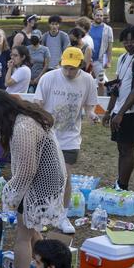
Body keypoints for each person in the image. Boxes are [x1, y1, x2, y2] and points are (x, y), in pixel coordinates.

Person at [0, 88, 65, 268]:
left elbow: (26, 171)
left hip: (41, 182)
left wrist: (10, 195)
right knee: (33, 228)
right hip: (48, 177)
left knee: (22, 237)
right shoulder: (24, 116)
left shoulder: (23, 128)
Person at [34, 47, 99, 236]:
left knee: (65, 177)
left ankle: (62, 216)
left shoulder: (88, 81)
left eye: (73, 68)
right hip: (48, 135)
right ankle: (42, 213)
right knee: (45, 176)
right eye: (66, 67)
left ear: (81, 65)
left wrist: (93, 115)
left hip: (70, 137)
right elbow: (38, 105)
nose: (69, 72)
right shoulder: (49, 78)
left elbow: (89, 107)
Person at [103, 25, 134, 191]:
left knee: (127, 148)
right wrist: (109, 111)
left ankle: (123, 186)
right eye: (126, 40)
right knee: (121, 147)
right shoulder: (124, 57)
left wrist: (121, 114)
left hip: (133, 112)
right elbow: (117, 86)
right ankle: (119, 182)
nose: (129, 43)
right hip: (120, 110)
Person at [88, 9, 113, 95]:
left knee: (101, 83)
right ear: (93, 16)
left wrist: (109, 61)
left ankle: (99, 103)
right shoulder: (88, 27)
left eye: (101, 16)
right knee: (87, 82)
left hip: (100, 60)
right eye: (97, 15)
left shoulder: (108, 29)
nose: (99, 17)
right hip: (88, 60)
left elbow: (110, 46)